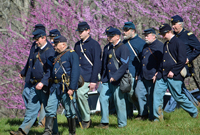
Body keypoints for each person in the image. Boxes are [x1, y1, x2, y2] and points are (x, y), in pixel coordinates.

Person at [10, 29, 57, 134]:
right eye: (35, 39)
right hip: (35, 85)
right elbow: (30, 64)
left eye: (38, 39)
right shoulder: (37, 50)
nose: (36, 41)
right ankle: (22, 131)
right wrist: (25, 73)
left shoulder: (49, 51)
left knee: (49, 111)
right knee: (31, 109)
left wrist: (43, 82)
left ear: (44, 37)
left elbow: (50, 70)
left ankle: (54, 132)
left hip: (45, 86)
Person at [153, 23, 198, 121]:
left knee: (178, 97)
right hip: (163, 75)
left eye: (164, 34)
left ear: (169, 32)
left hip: (174, 75)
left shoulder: (179, 43)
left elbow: (182, 60)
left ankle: (194, 112)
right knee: (157, 96)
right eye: (162, 34)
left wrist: (173, 71)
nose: (163, 36)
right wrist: (158, 72)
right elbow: (164, 60)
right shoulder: (166, 44)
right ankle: (157, 119)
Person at [43, 35, 80, 135]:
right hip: (55, 87)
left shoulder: (72, 54)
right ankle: (48, 132)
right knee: (50, 109)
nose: (54, 46)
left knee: (70, 111)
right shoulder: (55, 55)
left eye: (56, 44)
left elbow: (75, 72)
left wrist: (72, 88)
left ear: (63, 44)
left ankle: (72, 132)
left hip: (66, 86)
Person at [164, 15, 200, 112]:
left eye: (175, 24)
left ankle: (168, 111)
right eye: (172, 24)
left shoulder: (188, 35)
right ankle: (195, 104)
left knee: (176, 87)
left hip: (183, 66)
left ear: (180, 24)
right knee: (180, 87)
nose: (173, 27)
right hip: (174, 65)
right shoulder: (173, 36)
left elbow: (198, 48)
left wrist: (188, 58)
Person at [97, 27, 130, 128]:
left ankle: (122, 124)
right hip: (107, 80)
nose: (108, 37)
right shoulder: (107, 48)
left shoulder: (123, 48)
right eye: (108, 35)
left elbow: (124, 65)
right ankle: (104, 122)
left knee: (119, 102)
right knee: (103, 99)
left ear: (117, 36)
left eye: (111, 36)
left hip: (118, 81)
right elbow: (104, 65)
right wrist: (102, 79)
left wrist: (116, 77)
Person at [74, 21, 101, 128]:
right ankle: (80, 117)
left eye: (82, 31)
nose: (80, 33)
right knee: (78, 96)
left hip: (89, 76)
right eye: (79, 31)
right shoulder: (77, 45)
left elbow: (97, 64)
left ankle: (86, 119)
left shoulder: (95, 44)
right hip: (78, 77)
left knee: (80, 94)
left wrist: (94, 80)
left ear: (88, 31)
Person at [20, 24, 47, 127]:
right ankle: (32, 118)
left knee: (44, 101)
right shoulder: (34, 45)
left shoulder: (47, 47)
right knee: (25, 93)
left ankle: (42, 122)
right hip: (31, 76)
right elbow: (30, 60)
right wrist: (24, 71)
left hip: (42, 78)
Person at [136, 28, 163, 120]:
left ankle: (152, 116)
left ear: (154, 36)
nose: (145, 37)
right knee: (138, 93)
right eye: (145, 36)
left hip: (152, 76)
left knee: (151, 97)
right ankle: (143, 114)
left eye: (147, 36)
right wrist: (137, 73)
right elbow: (141, 61)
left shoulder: (159, 46)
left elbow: (162, 62)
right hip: (142, 75)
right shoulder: (145, 46)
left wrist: (158, 73)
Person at [122, 22, 146, 119]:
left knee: (133, 94)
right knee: (126, 94)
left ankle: (143, 113)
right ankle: (129, 115)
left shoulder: (141, 43)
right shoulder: (123, 43)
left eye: (127, 30)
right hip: (124, 73)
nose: (124, 32)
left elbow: (143, 60)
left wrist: (138, 74)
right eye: (124, 30)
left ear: (133, 31)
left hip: (134, 73)